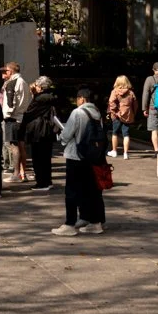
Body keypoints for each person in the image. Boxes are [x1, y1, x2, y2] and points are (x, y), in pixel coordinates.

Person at [52, 87, 107, 237]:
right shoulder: (97, 113)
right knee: (91, 190)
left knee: (71, 191)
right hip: (92, 156)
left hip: (76, 155)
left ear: (81, 99)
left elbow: (67, 134)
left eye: (77, 99)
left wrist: (60, 136)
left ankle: (69, 224)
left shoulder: (77, 113)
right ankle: (95, 222)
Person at [21, 76, 58, 192]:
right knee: (46, 158)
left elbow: (28, 113)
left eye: (36, 85)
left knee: (38, 158)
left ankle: (41, 183)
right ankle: (47, 181)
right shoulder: (52, 97)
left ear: (40, 87)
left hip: (38, 130)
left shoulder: (39, 99)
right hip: (48, 130)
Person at [0, 62, 32, 182]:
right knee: (21, 145)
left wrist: (6, 115)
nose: (3, 74)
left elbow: (10, 103)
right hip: (21, 117)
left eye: (5, 71)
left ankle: (16, 174)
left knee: (14, 146)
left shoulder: (12, 83)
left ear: (10, 71)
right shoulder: (23, 82)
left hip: (13, 118)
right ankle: (23, 174)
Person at [107, 75, 138, 160]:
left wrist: (115, 112)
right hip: (128, 115)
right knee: (126, 134)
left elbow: (111, 102)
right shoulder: (131, 92)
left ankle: (114, 151)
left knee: (115, 133)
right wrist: (133, 114)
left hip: (117, 115)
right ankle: (126, 153)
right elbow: (135, 105)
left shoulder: (114, 92)